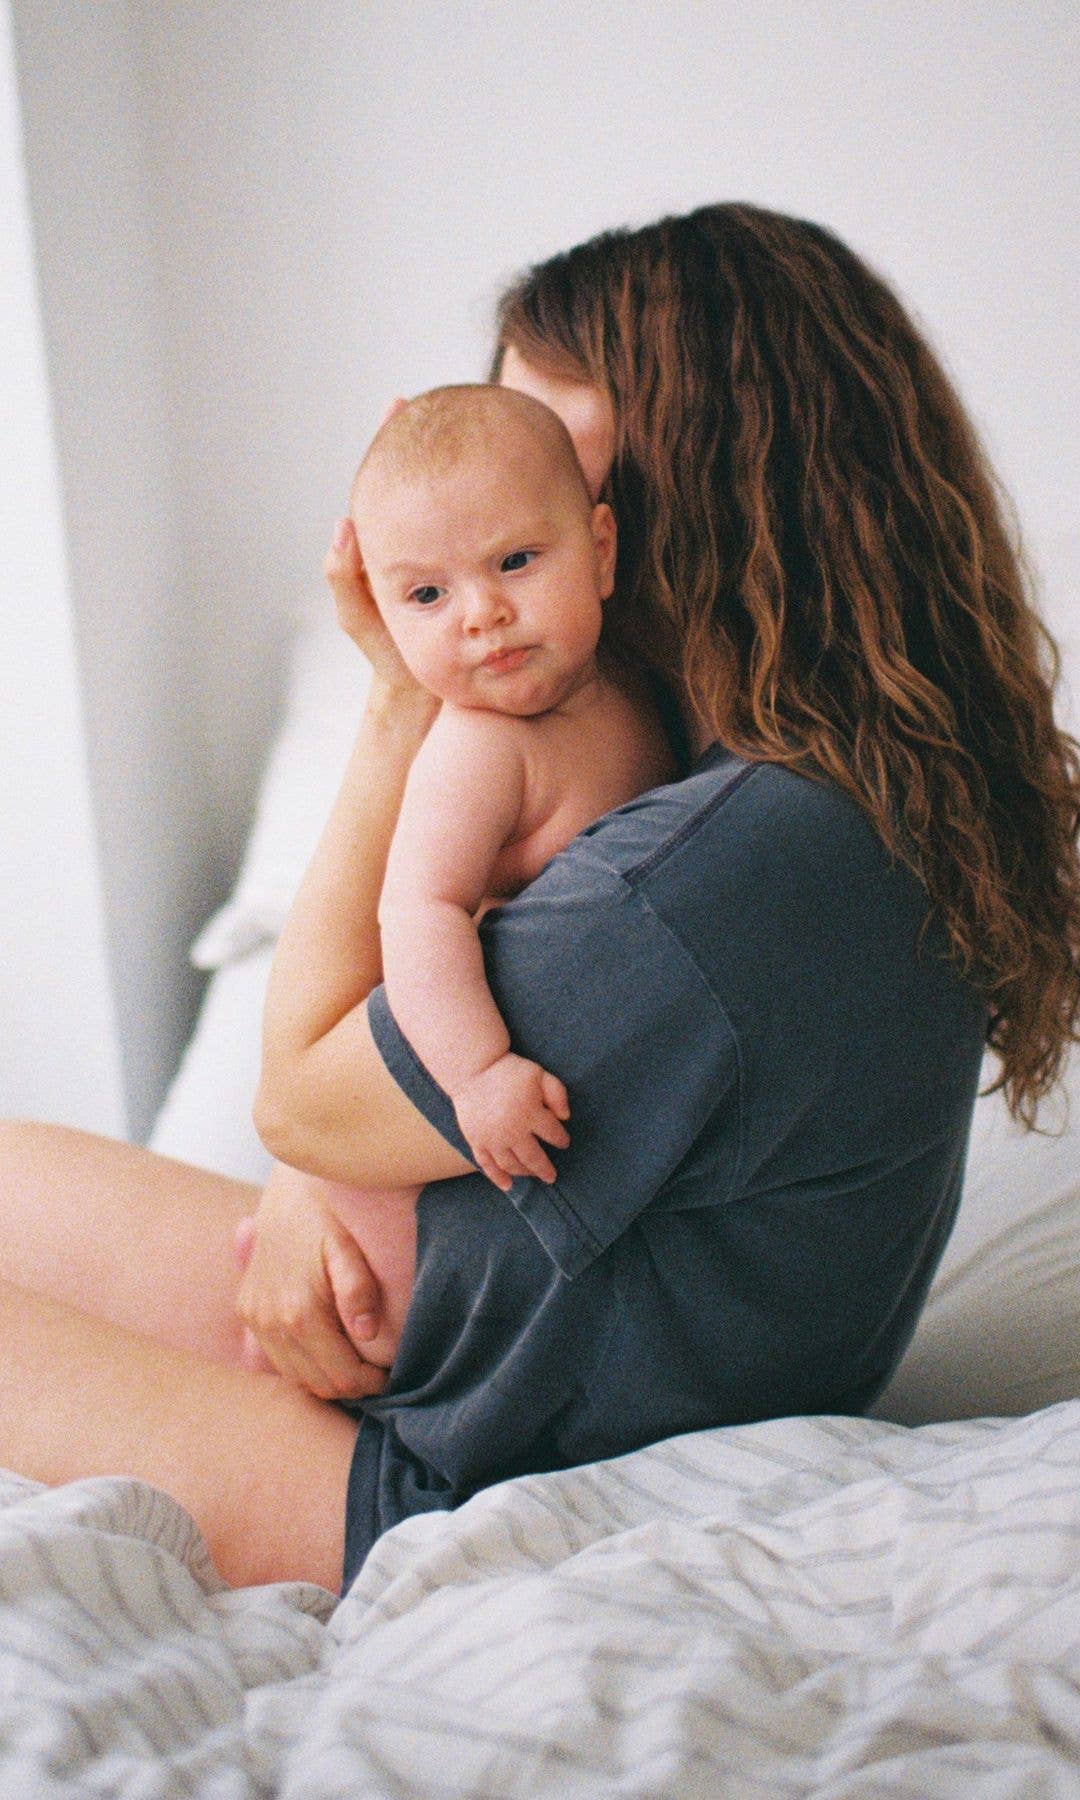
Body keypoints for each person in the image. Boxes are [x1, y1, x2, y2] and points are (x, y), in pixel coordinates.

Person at [1, 203, 1077, 1599]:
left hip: (447, 1467)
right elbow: (348, 1112)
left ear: (647, 504)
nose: (491, 525)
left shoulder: (726, 867)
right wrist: (322, 1174)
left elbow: (302, 1096)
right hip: (469, 1348)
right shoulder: (818, 774)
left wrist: (398, 698)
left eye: (539, 467)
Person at [233, 380, 674, 1370]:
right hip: (433, 1155)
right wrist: (476, 1071)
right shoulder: (478, 748)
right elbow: (419, 912)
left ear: (601, 550)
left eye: (516, 561)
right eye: (426, 595)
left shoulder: (635, 685)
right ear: (384, 613)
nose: (483, 615)